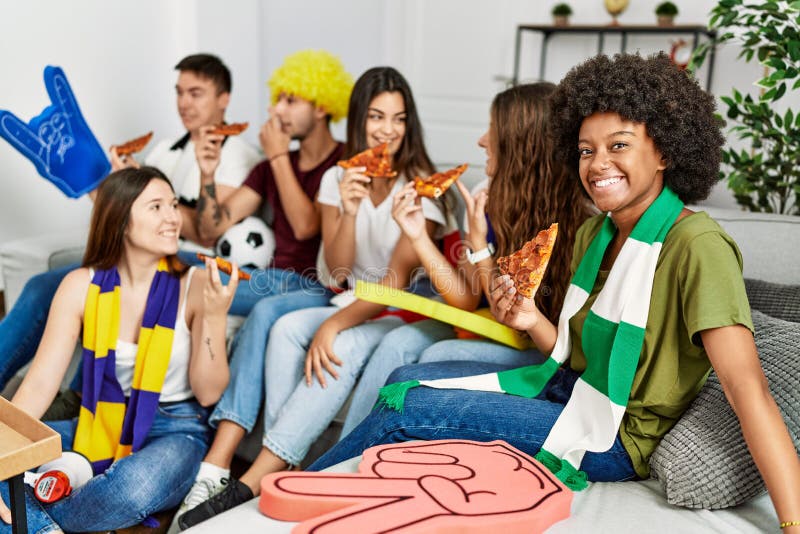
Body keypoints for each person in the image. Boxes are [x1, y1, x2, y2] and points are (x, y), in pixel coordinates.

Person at [309, 53, 800, 531]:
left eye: (619, 145)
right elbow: (575, 358)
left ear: (666, 152)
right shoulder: (597, 235)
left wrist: (793, 521)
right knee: (405, 375)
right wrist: (529, 320)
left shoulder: (698, 246)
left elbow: (748, 390)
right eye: (587, 150)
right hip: (570, 391)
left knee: (409, 407)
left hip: (616, 437)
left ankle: (296, 495)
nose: (598, 163)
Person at [176, 66, 446, 530]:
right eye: (378, 117)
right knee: (281, 328)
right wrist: (347, 208)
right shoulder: (339, 177)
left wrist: (332, 324)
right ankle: (291, 470)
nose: (388, 131)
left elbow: (396, 283)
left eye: (399, 119)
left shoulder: (422, 183)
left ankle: (261, 476)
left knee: (337, 342)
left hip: (401, 309)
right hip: (349, 297)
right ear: (359, 120)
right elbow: (338, 271)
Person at [164, 49, 353, 527]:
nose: (278, 110)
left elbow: (308, 227)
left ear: (323, 104)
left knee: (258, 309)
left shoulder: (345, 160)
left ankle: (217, 463)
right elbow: (213, 226)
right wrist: (208, 175)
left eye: (292, 99)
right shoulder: (272, 166)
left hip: (315, 284)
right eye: (278, 98)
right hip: (270, 279)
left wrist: (275, 156)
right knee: (177, 264)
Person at [0, 53, 260, 396]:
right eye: (179, 92)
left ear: (223, 98)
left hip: (188, 261)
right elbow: (127, 217)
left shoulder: (239, 154)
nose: (184, 102)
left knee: (277, 288)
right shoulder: (165, 150)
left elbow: (205, 231)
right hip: (140, 255)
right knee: (40, 287)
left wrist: (184, 182)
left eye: (195, 93)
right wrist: (95, 183)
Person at [340, 82, 593, 436]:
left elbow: (553, 341)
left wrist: (480, 248)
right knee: (397, 343)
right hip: (486, 325)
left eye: (493, 129)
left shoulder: (583, 225)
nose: (481, 140)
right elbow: (466, 298)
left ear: (521, 144)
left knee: (432, 357)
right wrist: (417, 235)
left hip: (541, 349)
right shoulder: (483, 199)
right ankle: (351, 454)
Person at [0, 167, 239, 532]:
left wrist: (216, 316)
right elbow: (38, 386)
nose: (173, 217)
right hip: (97, 421)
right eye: (156, 207)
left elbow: (208, 393)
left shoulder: (196, 284)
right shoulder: (80, 286)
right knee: (5, 465)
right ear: (121, 220)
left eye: (173, 205)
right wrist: (8, 452)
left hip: (176, 428)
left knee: (128, 491)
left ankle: (35, 522)